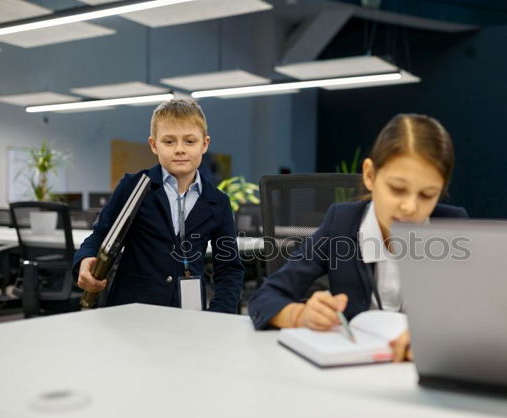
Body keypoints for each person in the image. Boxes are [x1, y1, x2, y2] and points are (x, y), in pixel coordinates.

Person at [248, 113, 467, 361]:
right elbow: (264, 298)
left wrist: (438, 336)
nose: (409, 206)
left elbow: (480, 317)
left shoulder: (452, 229)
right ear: (370, 175)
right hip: (352, 369)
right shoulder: (341, 224)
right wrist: (301, 315)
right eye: (397, 189)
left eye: (427, 195)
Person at [74, 98, 244, 313]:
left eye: (190, 141)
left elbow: (229, 269)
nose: (180, 149)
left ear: (205, 144)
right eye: (169, 141)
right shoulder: (133, 186)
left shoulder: (218, 202)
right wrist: (84, 260)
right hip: (131, 310)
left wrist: (220, 315)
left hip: (188, 314)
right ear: (154, 145)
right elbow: (99, 236)